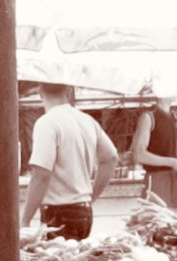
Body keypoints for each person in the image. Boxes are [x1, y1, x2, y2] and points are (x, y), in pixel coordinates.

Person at [20, 84, 118, 240]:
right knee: (76, 260)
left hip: (59, 212)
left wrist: (25, 220)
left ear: (40, 93)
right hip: (84, 211)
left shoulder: (47, 123)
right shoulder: (87, 120)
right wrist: (90, 196)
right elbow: (111, 157)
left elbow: (41, 174)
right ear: (68, 91)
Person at [130, 99, 177, 208]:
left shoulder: (174, 118)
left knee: (176, 220)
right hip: (156, 178)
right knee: (156, 219)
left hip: (175, 179)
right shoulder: (148, 117)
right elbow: (139, 154)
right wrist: (172, 162)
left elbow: (176, 151)